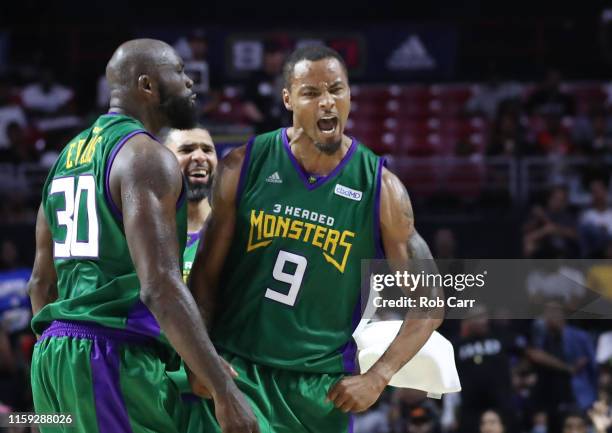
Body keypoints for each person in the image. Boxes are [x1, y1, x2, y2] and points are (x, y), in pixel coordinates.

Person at [189, 45, 444, 433]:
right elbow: (205, 277)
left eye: (336, 90)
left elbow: (428, 303)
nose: (327, 102)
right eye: (311, 93)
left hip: (320, 390)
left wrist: (378, 377)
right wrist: (201, 361)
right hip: (239, 373)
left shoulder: (382, 189)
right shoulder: (244, 166)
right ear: (288, 99)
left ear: (349, 97)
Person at [27, 39, 258, 433]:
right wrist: (225, 392)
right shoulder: (144, 156)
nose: (190, 83)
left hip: (53, 357)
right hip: (111, 356)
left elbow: (40, 285)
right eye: (180, 72)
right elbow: (160, 287)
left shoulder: (67, 157)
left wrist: (63, 356)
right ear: (147, 86)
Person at [162, 126, 220, 431]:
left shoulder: (238, 235)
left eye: (207, 150)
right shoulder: (146, 238)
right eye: (186, 150)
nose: (199, 157)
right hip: (158, 392)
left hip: (219, 397)